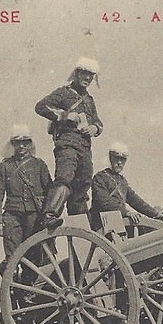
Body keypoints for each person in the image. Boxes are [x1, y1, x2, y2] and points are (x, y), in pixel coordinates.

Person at [34, 57, 104, 230]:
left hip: (85, 148)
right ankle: (49, 216)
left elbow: (98, 122)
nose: (87, 78)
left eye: (90, 75)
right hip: (67, 144)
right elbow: (41, 107)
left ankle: (80, 232)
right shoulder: (63, 93)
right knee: (65, 178)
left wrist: (95, 128)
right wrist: (65, 116)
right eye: (84, 73)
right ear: (77, 73)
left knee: (81, 189)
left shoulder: (89, 99)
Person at [0, 124, 53, 275]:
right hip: (12, 216)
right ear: (12, 144)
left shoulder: (39, 165)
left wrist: (47, 214)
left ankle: (28, 286)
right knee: (12, 257)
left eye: (25, 142)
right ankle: (11, 284)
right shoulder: (5, 166)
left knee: (33, 256)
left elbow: (50, 191)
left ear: (30, 143)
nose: (22, 146)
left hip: (34, 216)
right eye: (18, 142)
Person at [89, 142, 163, 236]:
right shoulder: (99, 178)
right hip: (103, 224)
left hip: (118, 222)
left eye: (123, 159)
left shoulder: (122, 181)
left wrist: (155, 213)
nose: (119, 162)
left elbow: (135, 200)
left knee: (146, 230)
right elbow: (104, 202)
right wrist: (126, 212)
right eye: (116, 158)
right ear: (110, 158)